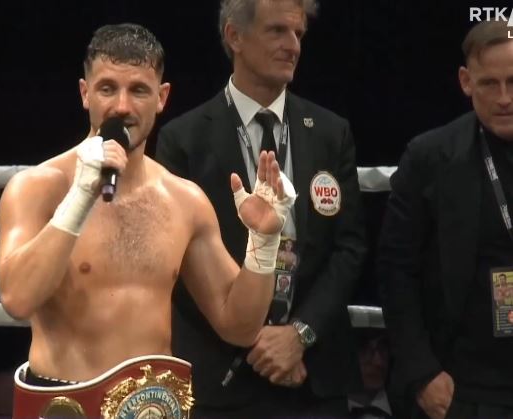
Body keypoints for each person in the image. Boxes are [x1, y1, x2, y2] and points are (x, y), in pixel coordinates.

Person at [0, 22, 295, 405]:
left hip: (154, 407)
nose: (122, 106)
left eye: (138, 90)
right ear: (85, 93)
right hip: (64, 405)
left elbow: (239, 327)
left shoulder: (184, 201)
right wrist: (79, 199)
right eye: (107, 88)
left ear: (161, 97)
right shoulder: (37, 188)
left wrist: (264, 242)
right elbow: (17, 299)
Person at [155, 0, 366, 417]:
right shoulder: (184, 139)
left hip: (313, 377)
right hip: (222, 377)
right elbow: (175, 261)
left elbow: (350, 247)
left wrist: (299, 335)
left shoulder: (330, 132)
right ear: (235, 36)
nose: (293, 46)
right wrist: (251, 335)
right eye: (277, 31)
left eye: (299, 34)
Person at [377, 20, 513, 419]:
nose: (504, 98)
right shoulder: (429, 157)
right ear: (466, 81)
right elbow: (395, 270)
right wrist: (421, 373)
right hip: (462, 388)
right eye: (490, 84)